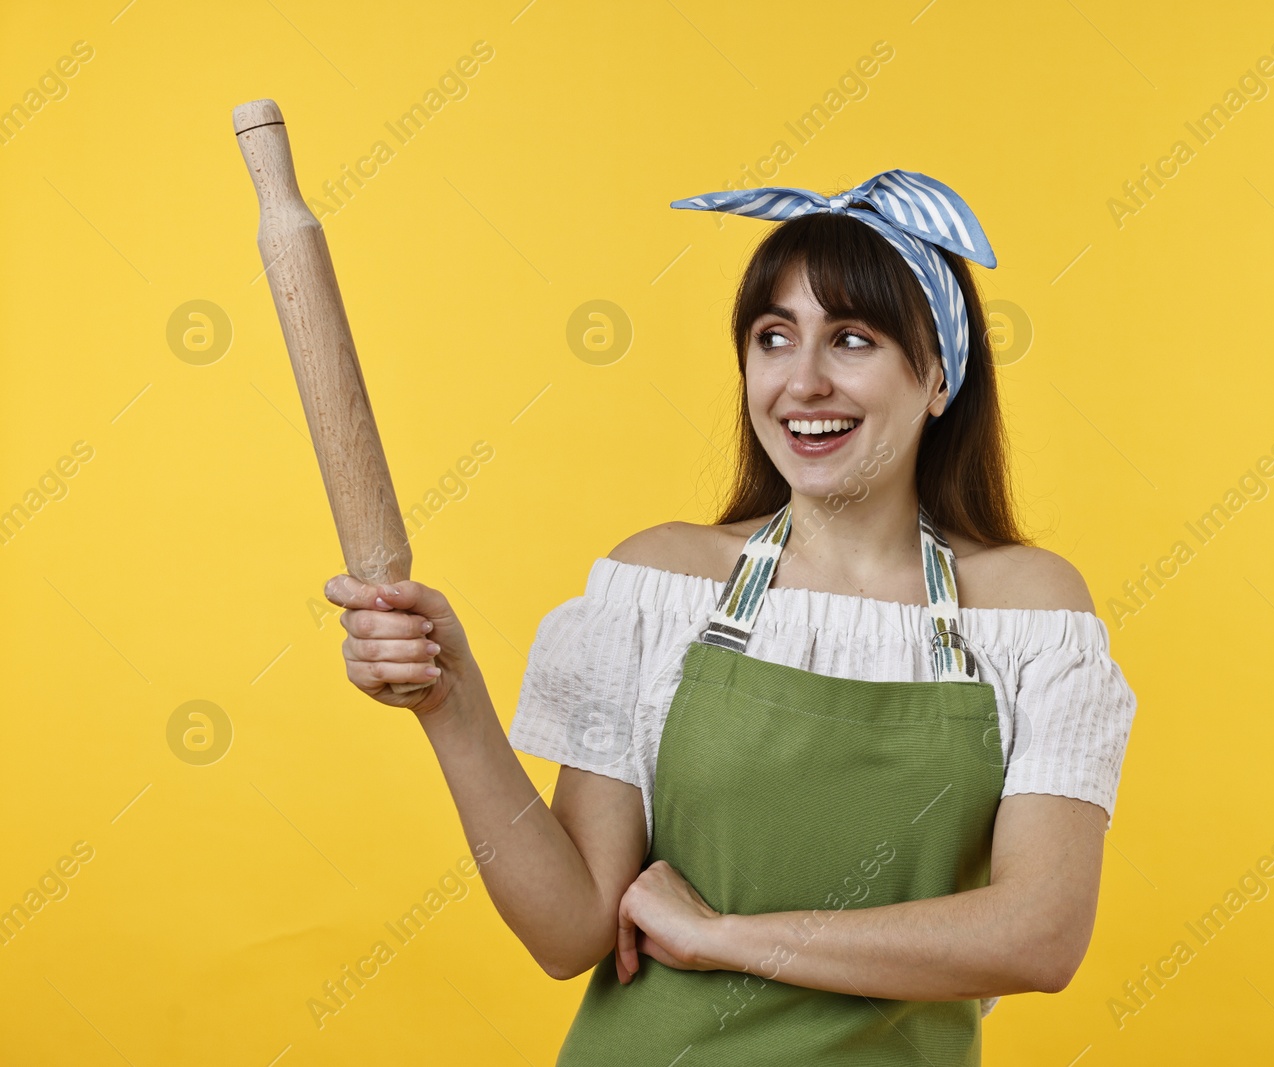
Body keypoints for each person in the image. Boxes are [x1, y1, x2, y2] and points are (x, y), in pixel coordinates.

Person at [322, 170, 1138, 1065]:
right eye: (774, 337)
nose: (804, 381)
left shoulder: (1028, 614)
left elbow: (1039, 934)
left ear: (940, 374)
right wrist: (450, 698)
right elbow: (568, 931)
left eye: (853, 339)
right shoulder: (661, 586)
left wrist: (722, 937)